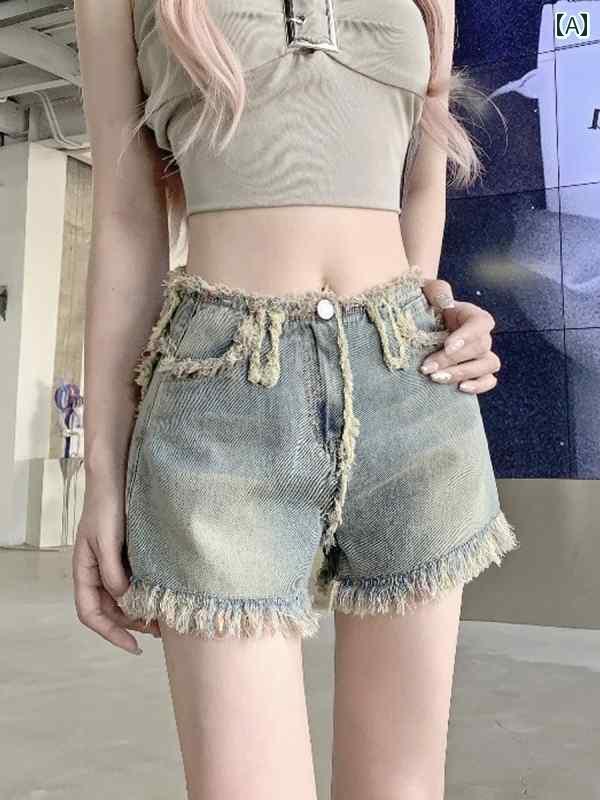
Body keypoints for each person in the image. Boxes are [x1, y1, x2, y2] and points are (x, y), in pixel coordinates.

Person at [72, 1, 519, 798]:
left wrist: (437, 307)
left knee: (402, 789)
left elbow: (422, 183)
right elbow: (125, 215)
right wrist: (103, 473)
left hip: (413, 387)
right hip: (221, 402)